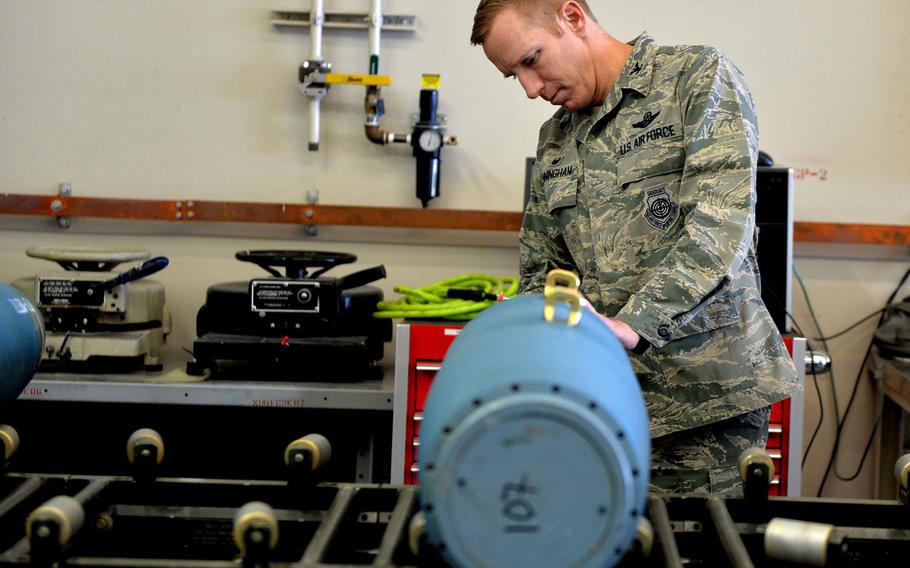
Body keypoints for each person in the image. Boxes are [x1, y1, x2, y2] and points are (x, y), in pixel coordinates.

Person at [472, 0, 800, 494]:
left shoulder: (694, 77)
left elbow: (720, 224)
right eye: (512, 75)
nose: (530, 88)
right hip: (596, 406)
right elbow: (543, 267)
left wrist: (631, 326)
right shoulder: (556, 139)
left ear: (572, 17)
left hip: (702, 404)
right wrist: (528, 316)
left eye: (531, 60)